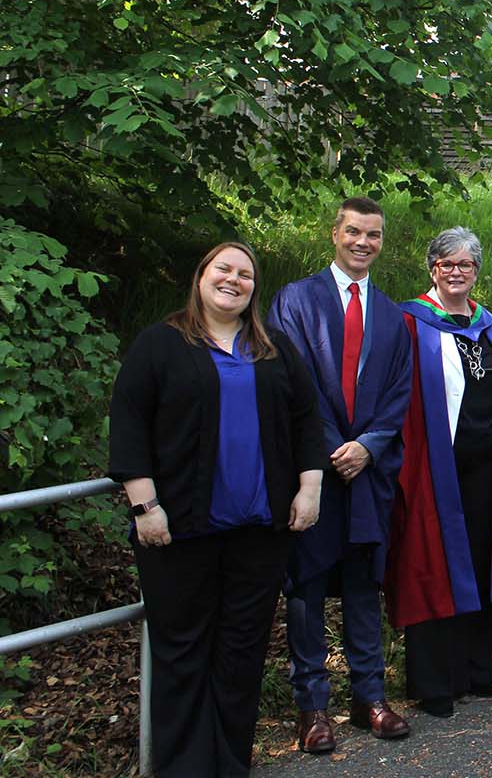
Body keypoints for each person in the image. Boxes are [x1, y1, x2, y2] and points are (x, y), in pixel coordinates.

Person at [109, 242, 323, 778]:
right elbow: (129, 421)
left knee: (241, 655)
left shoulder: (273, 348)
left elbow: (306, 419)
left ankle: (230, 764)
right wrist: (145, 505)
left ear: (255, 287)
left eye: (245, 274)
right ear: (200, 276)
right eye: (222, 269)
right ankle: (183, 767)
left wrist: (310, 488)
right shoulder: (162, 344)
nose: (233, 279)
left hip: (259, 531)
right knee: (182, 654)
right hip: (180, 529)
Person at [269, 197, 414, 752]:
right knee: (305, 588)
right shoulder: (295, 300)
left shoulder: (391, 314)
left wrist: (370, 446)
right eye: (353, 232)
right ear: (334, 234)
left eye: (373, 235)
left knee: (361, 585)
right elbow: (293, 380)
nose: (363, 243)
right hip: (314, 471)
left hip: (367, 475)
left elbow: (400, 391)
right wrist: (336, 448)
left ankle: (369, 697)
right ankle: (312, 706)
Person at [384, 227, 492, 717]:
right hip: (433, 468)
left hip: (487, 467)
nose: (456, 272)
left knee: (482, 561)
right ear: (432, 268)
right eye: (447, 264)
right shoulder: (410, 321)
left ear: (477, 272)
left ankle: (476, 671)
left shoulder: (488, 324)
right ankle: (435, 682)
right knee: (431, 565)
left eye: (466, 265)